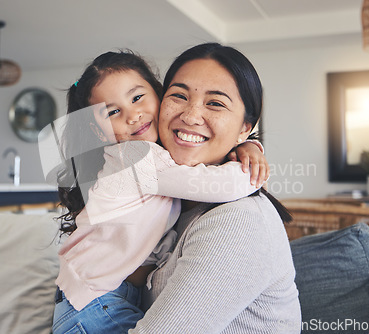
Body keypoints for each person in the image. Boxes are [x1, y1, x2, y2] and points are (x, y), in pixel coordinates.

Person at [49, 50, 271, 334]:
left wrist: (246, 145)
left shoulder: (158, 160)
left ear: (158, 94)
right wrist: (252, 168)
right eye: (113, 112)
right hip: (96, 305)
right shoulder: (135, 155)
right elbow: (215, 184)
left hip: (93, 300)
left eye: (138, 98)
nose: (133, 116)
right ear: (99, 129)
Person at [128, 43, 301, 333]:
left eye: (216, 103)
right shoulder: (166, 199)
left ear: (245, 127)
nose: (191, 115)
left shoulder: (238, 220)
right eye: (179, 96)